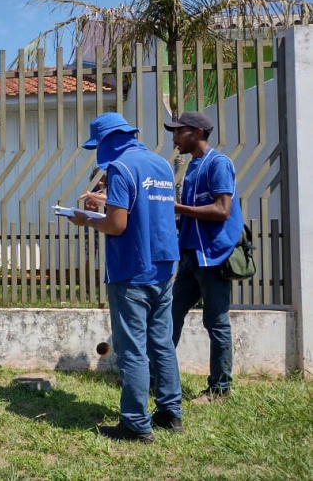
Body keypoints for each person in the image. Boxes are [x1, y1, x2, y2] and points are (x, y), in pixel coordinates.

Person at [69, 113, 182, 443]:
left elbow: (117, 225)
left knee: (132, 349)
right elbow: (145, 207)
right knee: (161, 344)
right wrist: (106, 202)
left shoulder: (119, 167)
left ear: (108, 141)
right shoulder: (160, 164)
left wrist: (85, 218)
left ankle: (135, 423)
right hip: (163, 267)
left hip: (131, 270)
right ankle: (170, 413)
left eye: (99, 145)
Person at [165, 112, 243, 404]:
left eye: (179, 132)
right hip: (190, 257)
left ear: (197, 133)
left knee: (216, 322)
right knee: (170, 316)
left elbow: (222, 210)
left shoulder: (219, 164)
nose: (174, 138)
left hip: (214, 256)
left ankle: (220, 390)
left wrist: (178, 208)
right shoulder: (194, 166)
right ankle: (159, 377)